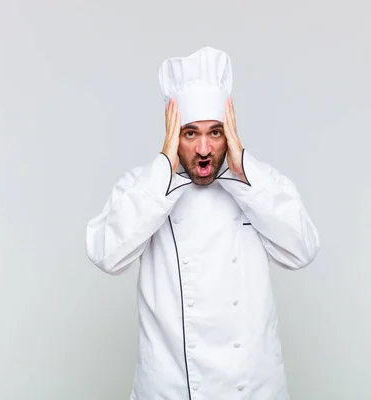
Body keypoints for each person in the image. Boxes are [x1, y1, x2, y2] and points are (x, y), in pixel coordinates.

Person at [86, 46, 320, 400]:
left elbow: (302, 251)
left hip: (252, 388)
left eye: (215, 132)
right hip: (172, 390)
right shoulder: (145, 187)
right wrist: (163, 166)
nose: (205, 149)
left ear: (230, 133)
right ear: (171, 134)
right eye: (190, 133)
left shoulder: (257, 183)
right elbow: (106, 254)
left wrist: (247, 172)